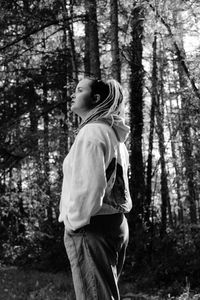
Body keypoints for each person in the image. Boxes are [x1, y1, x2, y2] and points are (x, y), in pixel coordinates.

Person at [59, 77, 132, 300]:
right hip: (114, 223)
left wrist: (74, 223)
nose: (73, 94)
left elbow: (90, 184)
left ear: (96, 98)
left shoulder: (92, 132)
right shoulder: (112, 134)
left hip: (91, 228)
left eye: (80, 90)